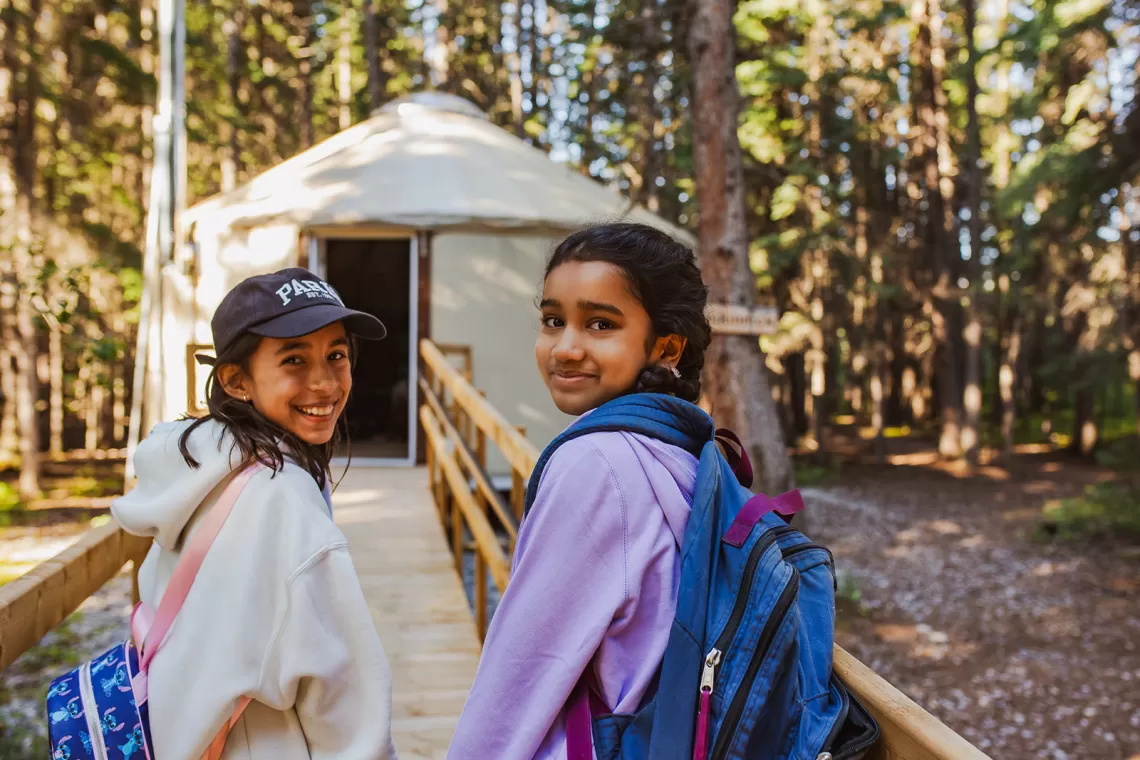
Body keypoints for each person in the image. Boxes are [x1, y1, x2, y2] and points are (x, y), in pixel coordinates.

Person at [447, 223, 712, 759]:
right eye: (552, 320)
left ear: (665, 346)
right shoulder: (682, 445)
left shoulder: (595, 463)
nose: (565, 348)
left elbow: (524, 667)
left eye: (599, 323)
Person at [112, 267, 398, 760]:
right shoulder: (283, 500)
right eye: (294, 359)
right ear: (236, 380)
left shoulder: (196, 461)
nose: (325, 382)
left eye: (337, 355)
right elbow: (348, 710)